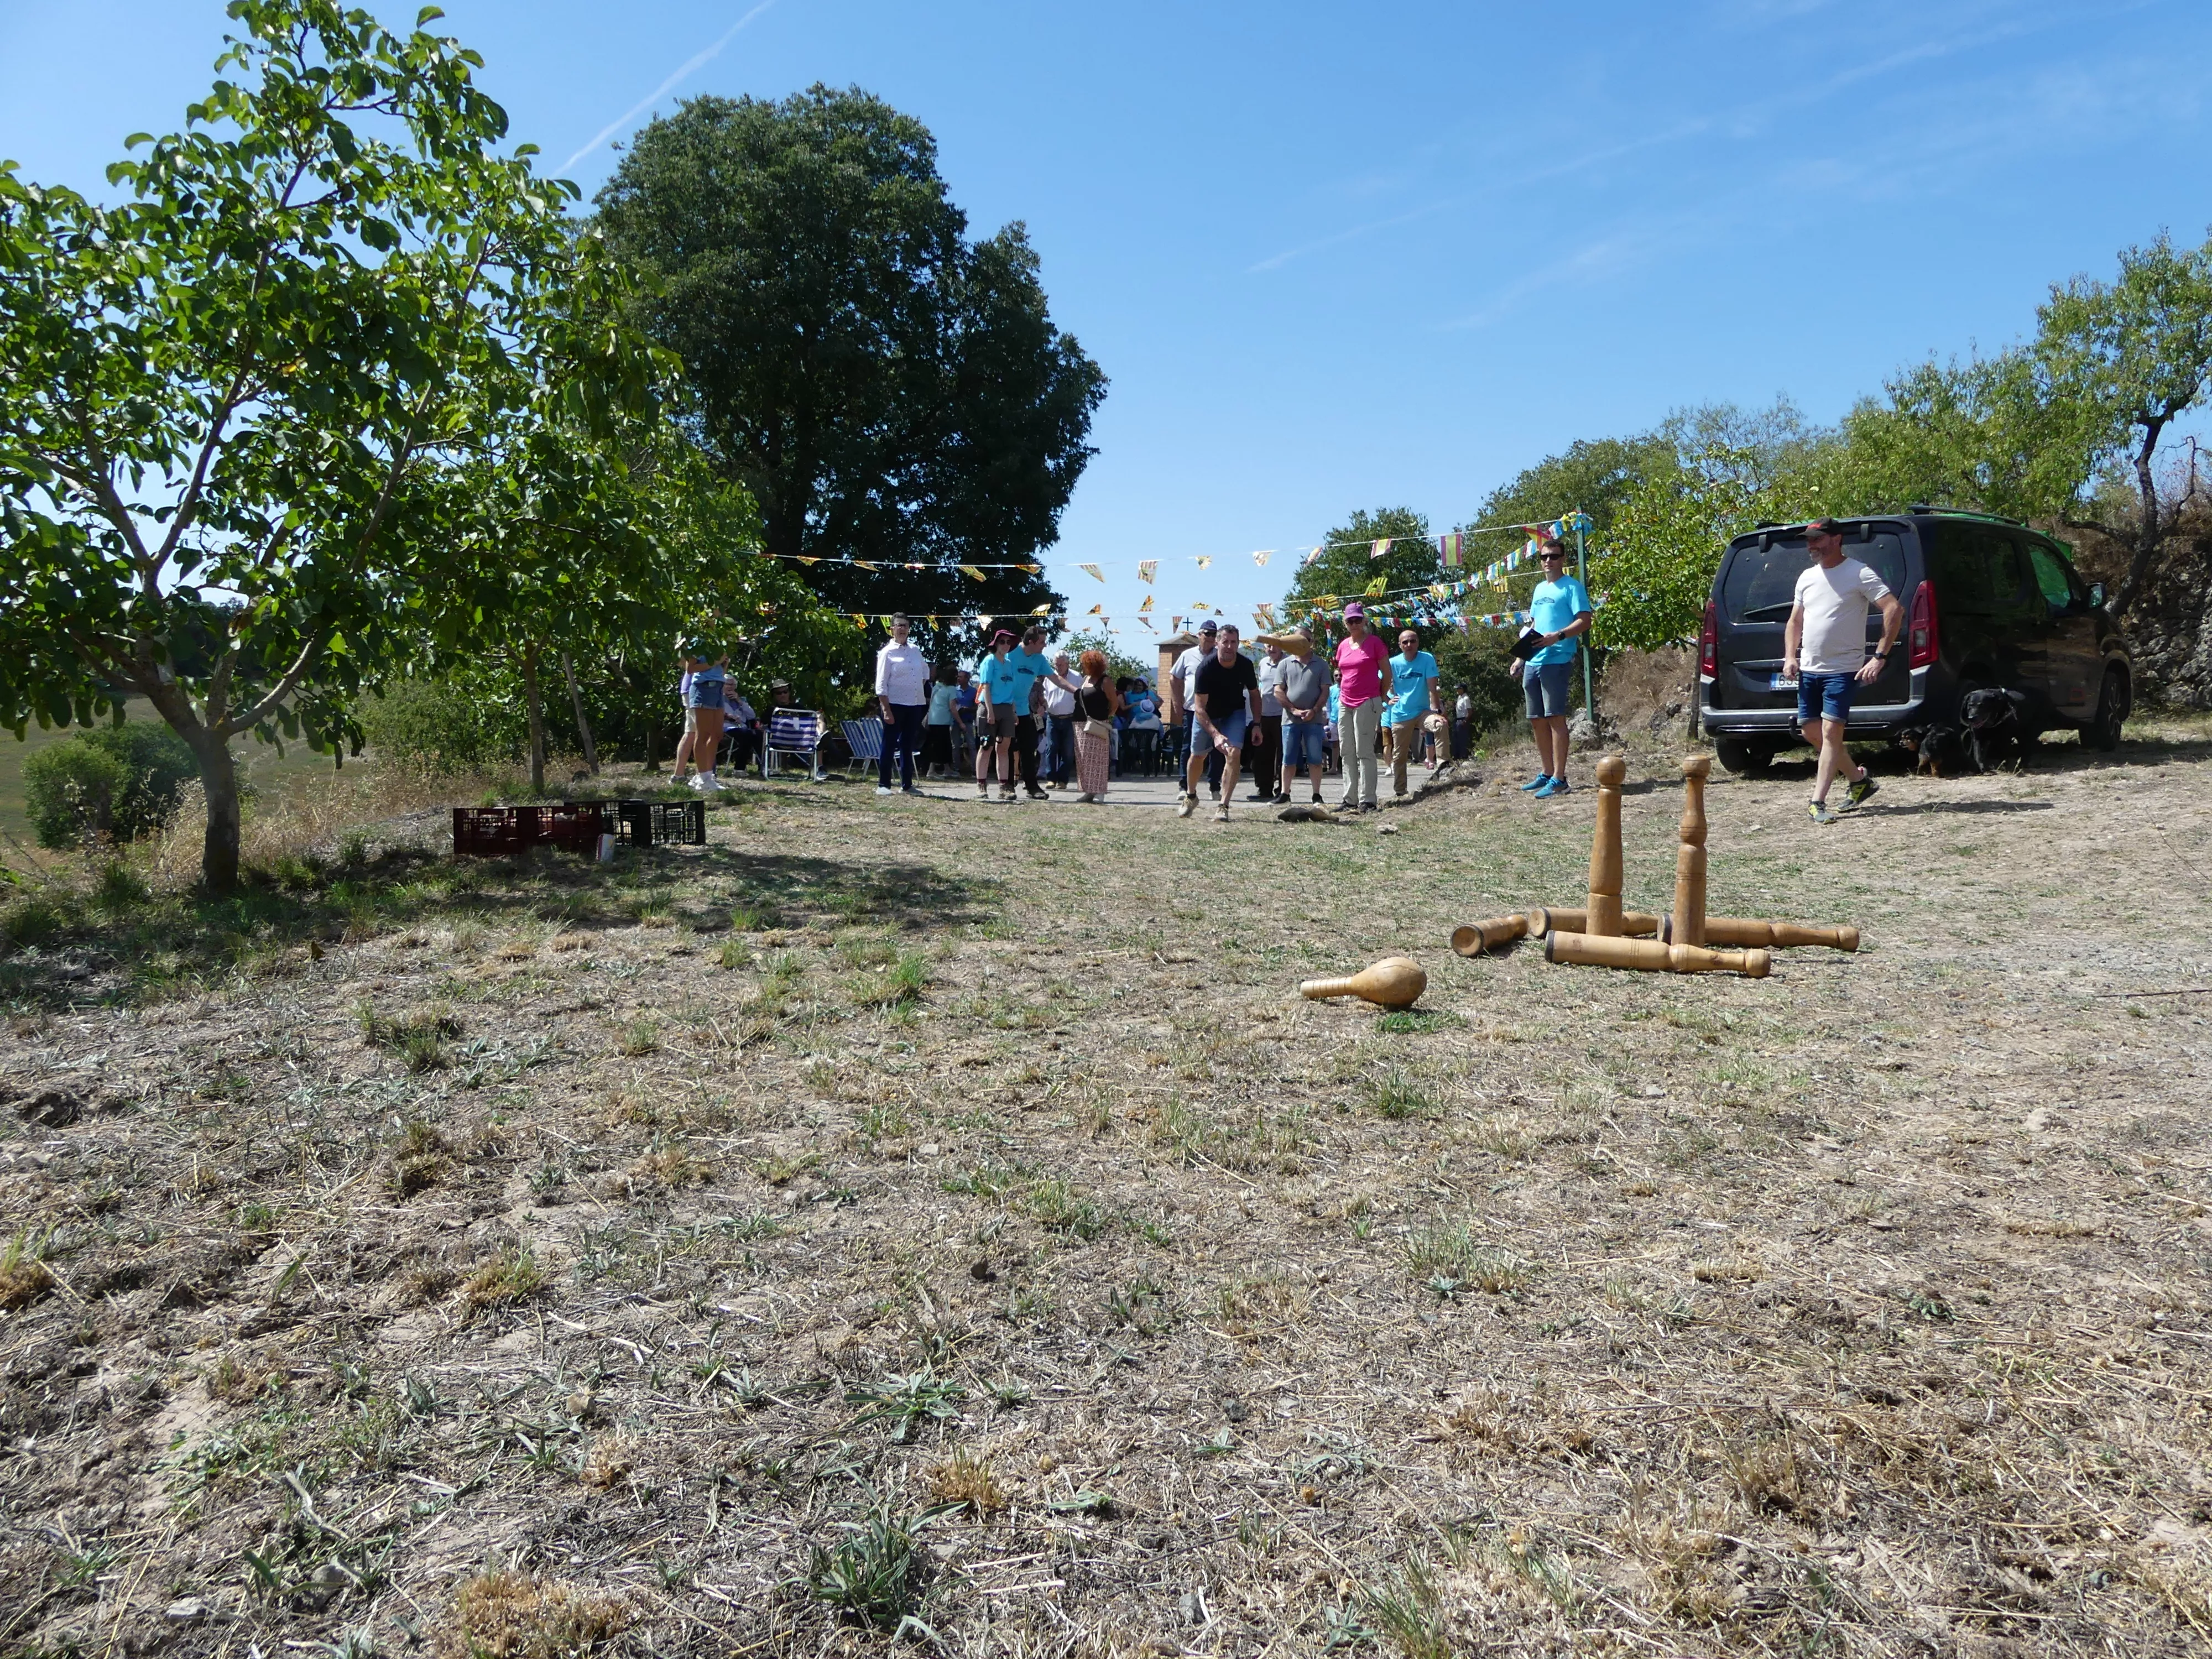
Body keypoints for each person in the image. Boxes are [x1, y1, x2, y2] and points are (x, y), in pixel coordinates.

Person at [1785, 517, 1903, 825]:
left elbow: (1894, 609)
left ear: (1836, 539)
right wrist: (1790, 656)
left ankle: (1817, 802)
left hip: (1843, 670)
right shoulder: (1807, 578)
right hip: (1810, 669)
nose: (1812, 545)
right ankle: (1858, 780)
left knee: (1829, 732)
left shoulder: (1858, 572)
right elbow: (1796, 621)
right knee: (1812, 732)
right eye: (1809, 540)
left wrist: (1879, 656)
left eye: (1818, 539)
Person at [1512, 540, 1592, 799]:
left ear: (1563, 558)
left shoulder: (1572, 587)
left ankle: (1560, 778)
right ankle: (1546, 773)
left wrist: (1557, 636)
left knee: (1555, 717)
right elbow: (1534, 624)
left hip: (1557, 660)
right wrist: (1521, 657)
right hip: (1533, 662)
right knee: (1536, 719)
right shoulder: (1538, 589)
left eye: (1554, 556)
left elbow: (1585, 621)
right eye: (1544, 557)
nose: (1549, 561)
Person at [1179, 623, 1263, 821]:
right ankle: (1191, 796)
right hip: (1207, 715)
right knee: (1197, 756)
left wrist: (1257, 724)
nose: (1229, 646)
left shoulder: (1245, 665)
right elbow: (1199, 708)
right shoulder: (1205, 668)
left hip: (1234, 712)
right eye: (1225, 642)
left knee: (1234, 752)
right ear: (1217, 643)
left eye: (1234, 642)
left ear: (1238, 644)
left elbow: (1254, 695)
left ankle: (1223, 805)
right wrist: (1215, 735)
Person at [1333, 603, 1391, 812]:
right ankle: (1350, 799)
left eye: (1358, 620)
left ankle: (1368, 800)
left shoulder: (1375, 643)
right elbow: (1343, 673)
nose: (1355, 624)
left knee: (1364, 751)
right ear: (1346, 623)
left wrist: (1381, 697)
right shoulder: (1343, 646)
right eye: (1350, 621)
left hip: (1368, 701)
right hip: (1345, 701)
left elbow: (1387, 673)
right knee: (1346, 751)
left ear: (1365, 621)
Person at [1167, 620, 1226, 799]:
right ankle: (1184, 786)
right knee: (1189, 748)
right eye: (1207, 634)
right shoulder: (1187, 655)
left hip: (1216, 710)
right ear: (1199, 635)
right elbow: (1174, 678)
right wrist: (1177, 702)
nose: (1210, 638)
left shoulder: (1221, 656)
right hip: (1193, 709)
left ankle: (1214, 787)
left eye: (1213, 635)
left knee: (1218, 748)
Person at [873, 614, 929, 796]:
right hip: (894, 705)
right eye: (899, 626)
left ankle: (907, 785)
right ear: (892, 629)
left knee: (908, 745)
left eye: (905, 626)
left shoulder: (915, 650)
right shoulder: (887, 653)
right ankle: (883, 785)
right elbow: (881, 685)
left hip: (914, 704)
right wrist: (886, 709)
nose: (903, 629)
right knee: (889, 744)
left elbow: (925, 673)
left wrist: (914, 690)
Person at [1274, 629, 1331, 806]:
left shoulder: (1321, 664)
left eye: (1306, 639)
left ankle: (1316, 795)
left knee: (1315, 758)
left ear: (1311, 641)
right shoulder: (1284, 664)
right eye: (1298, 639)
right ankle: (1285, 793)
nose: (1302, 642)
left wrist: (1314, 710)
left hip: (1313, 720)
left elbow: (1325, 691)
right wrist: (1293, 710)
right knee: (1288, 758)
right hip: (1290, 720)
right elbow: (1278, 690)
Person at [1384, 627, 1442, 801]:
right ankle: (1400, 791)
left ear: (1418, 643)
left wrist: (1436, 711)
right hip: (1401, 715)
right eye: (1405, 642)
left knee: (1440, 725)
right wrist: (1387, 700)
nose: (1409, 645)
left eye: (1413, 641)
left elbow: (1433, 687)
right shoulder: (1392, 663)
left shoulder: (1427, 659)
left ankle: (1444, 764)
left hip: (1423, 712)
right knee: (1400, 755)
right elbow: (1380, 682)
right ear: (1400, 645)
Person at [973, 630, 1024, 801]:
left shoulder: (1009, 664)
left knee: (1004, 748)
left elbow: (1012, 690)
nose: (1005, 645)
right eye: (1002, 642)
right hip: (989, 707)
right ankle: (981, 785)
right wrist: (990, 712)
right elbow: (985, 687)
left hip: (1007, 708)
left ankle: (1004, 787)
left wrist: (1014, 712)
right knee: (986, 746)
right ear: (995, 644)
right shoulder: (989, 661)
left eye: (1008, 642)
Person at [1072, 650, 1121, 802]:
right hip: (1080, 724)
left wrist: (1105, 717)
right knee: (1083, 760)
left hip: (1098, 724)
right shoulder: (1086, 679)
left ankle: (1100, 791)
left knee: (1098, 760)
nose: (1082, 666)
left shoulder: (1105, 681)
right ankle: (1088, 790)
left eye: (1084, 664)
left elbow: (1114, 704)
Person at [680, 640, 729, 792]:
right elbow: (691, 669)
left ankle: (706, 776)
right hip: (703, 689)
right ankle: (704, 778)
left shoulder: (719, 642)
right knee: (703, 734)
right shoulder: (698, 642)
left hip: (718, 688)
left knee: (717, 734)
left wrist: (724, 664)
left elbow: (719, 671)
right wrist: (716, 661)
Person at [1253, 635, 1288, 802]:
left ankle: (1282, 789)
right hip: (1264, 715)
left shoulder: (1288, 663)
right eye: (1268, 646)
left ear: (1280, 646)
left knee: (1283, 754)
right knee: (1263, 753)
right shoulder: (1262, 664)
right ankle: (1264, 789)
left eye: (1274, 645)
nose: (1271, 649)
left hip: (1282, 715)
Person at [1041, 651, 1078, 789]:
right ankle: (1051, 779)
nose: (1058, 667)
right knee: (1051, 748)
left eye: (1061, 664)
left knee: (1068, 751)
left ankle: (1063, 781)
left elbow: (1080, 697)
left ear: (1067, 663)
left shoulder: (1076, 677)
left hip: (1070, 718)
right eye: (1056, 664)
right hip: (1052, 718)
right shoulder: (1049, 677)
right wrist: (1042, 706)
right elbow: (1044, 696)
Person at [922, 663, 959, 780]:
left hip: (933, 719)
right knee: (940, 746)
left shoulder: (937, 686)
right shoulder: (952, 689)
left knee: (944, 744)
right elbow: (953, 708)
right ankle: (931, 771)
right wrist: (961, 722)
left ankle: (947, 769)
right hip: (943, 720)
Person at [952, 670, 978, 774]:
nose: (959, 679)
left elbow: (977, 706)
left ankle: (975, 769)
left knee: (972, 745)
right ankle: (956, 769)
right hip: (955, 722)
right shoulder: (954, 691)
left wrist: (967, 709)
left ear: (967, 679)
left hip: (967, 721)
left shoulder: (973, 691)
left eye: (961, 677)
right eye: (958, 677)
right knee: (955, 746)